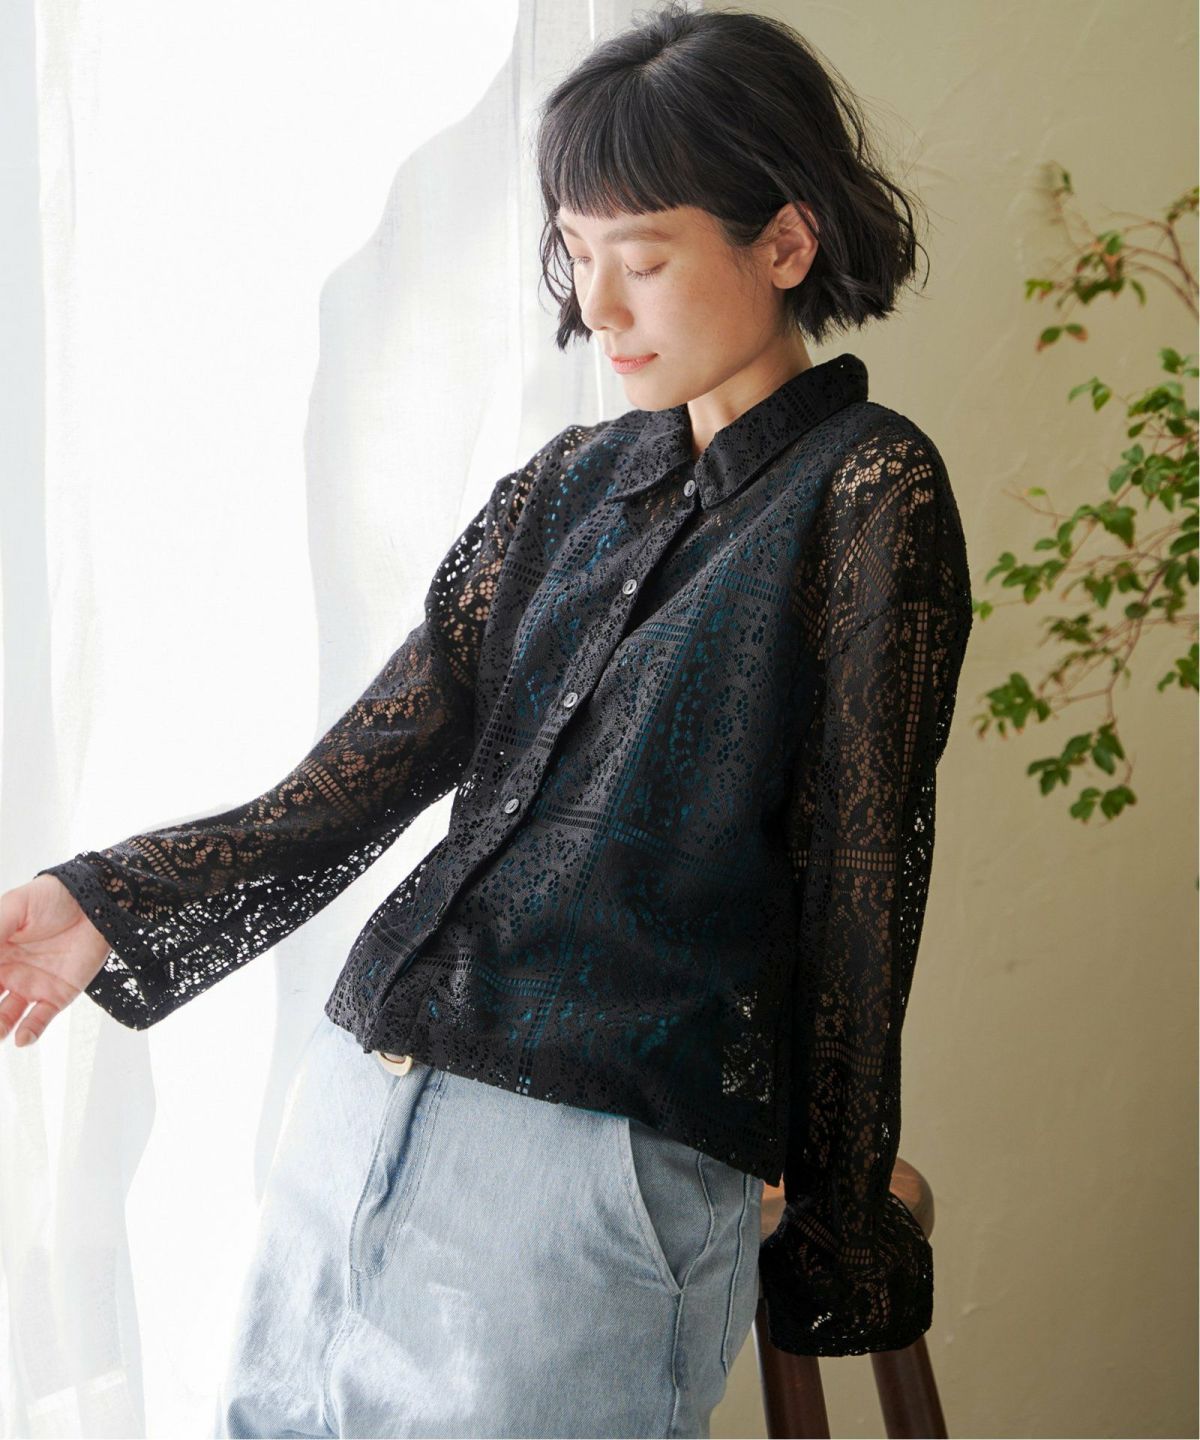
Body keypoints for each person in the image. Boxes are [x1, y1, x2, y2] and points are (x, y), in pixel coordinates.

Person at [0, 4, 975, 1437]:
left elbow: (860, 894)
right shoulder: (566, 486)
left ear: (785, 242)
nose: (600, 307)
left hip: (586, 1171)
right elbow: (360, 775)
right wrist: (104, 898)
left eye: (644, 258)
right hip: (358, 1115)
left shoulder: (868, 491)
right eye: (577, 253)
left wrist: (833, 1225)